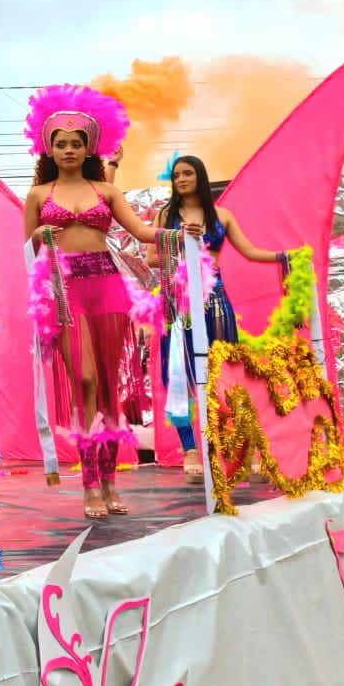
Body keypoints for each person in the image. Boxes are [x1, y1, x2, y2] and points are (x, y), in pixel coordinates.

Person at [23, 85, 161, 520]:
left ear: (88, 148)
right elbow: (26, 246)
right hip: (63, 291)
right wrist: (39, 236)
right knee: (83, 380)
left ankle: (108, 481)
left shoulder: (106, 190)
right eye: (60, 143)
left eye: (76, 143)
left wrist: (184, 229)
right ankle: (87, 484)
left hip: (106, 286)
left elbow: (141, 233)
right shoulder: (38, 196)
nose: (67, 149)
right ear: (49, 148)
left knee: (106, 388)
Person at [148, 155, 284, 483]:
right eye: (176, 174)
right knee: (179, 376)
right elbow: (152, 257)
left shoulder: (222, 215)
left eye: (187, 173)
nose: (181, 179)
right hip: (178, 303)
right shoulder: (166, 215)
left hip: (216, 300)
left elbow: (250, 251)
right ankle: (191, 451)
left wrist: (284, 257)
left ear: (200, 177)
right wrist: (179, 239)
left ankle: (242, 448)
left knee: (227, 376)